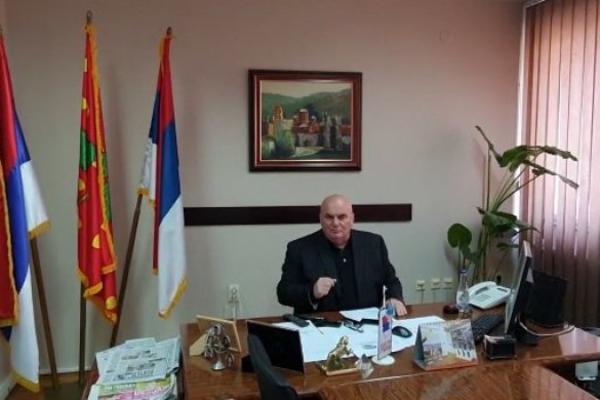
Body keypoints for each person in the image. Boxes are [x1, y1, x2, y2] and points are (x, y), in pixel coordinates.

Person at [276, 194, 407, 316]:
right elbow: (283, 293)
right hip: (321, 326)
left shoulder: (373, 244)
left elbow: (391, 280)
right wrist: (312, 291)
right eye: (329, 217)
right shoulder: (299, 249)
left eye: (342, 217)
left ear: (352, 219)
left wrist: (394, 297)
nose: (335, 223)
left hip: (367, 324)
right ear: (320, 219)